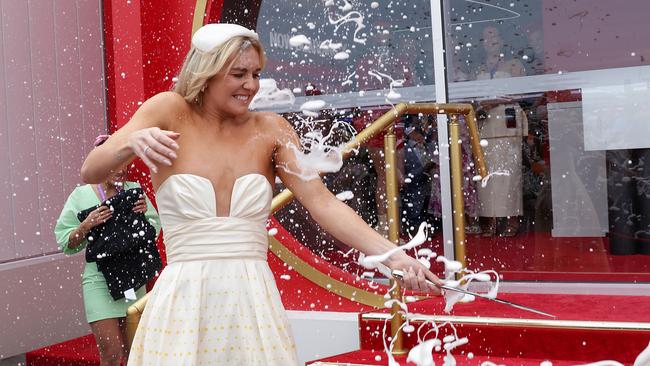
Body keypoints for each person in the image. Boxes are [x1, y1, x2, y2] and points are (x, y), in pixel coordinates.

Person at [80, 23, 442, 365]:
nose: (250, 85)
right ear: (206, 72)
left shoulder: (271, 129)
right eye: (238, 74)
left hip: (252, 300)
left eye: (255, 74)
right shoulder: (167, 110)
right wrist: (129, 141)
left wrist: (394, 256)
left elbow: (323, 203)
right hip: (184, 300)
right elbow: (91, 170)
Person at [54, 135, 161, 366]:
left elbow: (154, 228)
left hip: (133, 279)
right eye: (116, 163)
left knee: (137, 353)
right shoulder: (80, 196)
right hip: (99, 282)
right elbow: (66, 243)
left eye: (126, 163)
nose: (122, 170)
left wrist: (143, 216)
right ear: (101, 163)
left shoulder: (134, 190)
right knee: (112, 355)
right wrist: (86, 225)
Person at [474, 25, 528, 237]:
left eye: (494, 35)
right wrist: (480, 106)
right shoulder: (478, 69)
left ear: (502, 39)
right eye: (486, 37)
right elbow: (472, 96)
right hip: (486, 126)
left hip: (507, 123)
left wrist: (493, 101)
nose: (490, 40)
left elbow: (521, 92)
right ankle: (490, 221)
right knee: (487, 176)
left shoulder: (514, 64)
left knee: (509, 174)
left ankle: (512, 220)